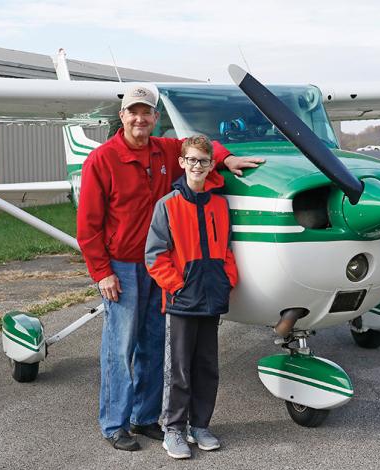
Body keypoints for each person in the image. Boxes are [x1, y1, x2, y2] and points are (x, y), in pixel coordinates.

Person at [76, 84, 262, 451]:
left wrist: (225, 160)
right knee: (120, 347)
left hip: (160, 266)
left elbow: (197, 146)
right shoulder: (101, 159)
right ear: (122, 116)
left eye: (147, 112)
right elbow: (87, 226)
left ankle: (145, 418)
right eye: (134, 111)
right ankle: (114, 424)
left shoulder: (165, 149)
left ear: (155, 118)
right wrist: (102, 272)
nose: (140, 118)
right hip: (123, 266)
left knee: (152, 344)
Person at [145, 135, 238, 459]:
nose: (197, 166)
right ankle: (173, 429)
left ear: (212, 165)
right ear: (182, 162)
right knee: (179, 369)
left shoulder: (220, 204)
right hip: (183, 300)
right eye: (192, 160)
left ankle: (200, 426)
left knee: (207, 367)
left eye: (203, 161)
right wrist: (177, 286)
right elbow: (155, 256)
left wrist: (227, 280)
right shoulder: (167, 205)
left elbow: (226, 249)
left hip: (212, 298)